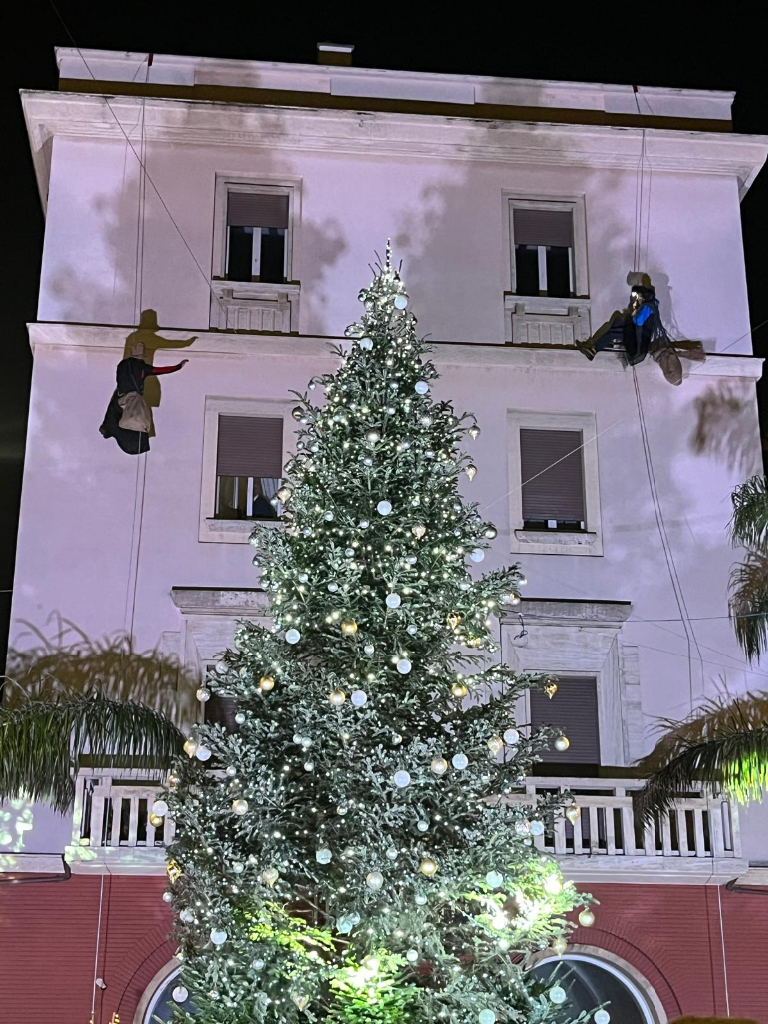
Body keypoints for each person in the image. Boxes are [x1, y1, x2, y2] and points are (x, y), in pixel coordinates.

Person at [576, 276, 704, 386]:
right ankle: (594, 348)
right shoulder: (651, 307)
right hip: (639, 346)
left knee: (616, 330)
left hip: (638, 345)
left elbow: (638, 321)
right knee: (616, 326)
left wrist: (634, 314)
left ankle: (594, 348)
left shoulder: (649, 307)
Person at [100, 341, 188, 454]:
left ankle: (109, 429)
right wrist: (179, 366)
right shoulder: (142, 367)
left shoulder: (122, 364)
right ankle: (136, 442)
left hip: (119, 398)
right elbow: (162, 370)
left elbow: (119, 380)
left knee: (114, 418)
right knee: (140, 418)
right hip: (131, 399)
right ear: (141, 356)